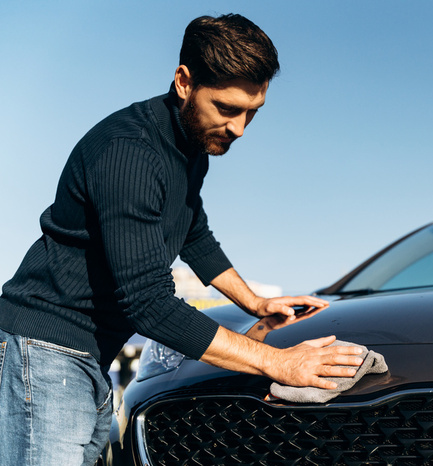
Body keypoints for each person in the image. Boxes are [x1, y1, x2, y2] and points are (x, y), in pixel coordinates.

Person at [0, 13, 363, 466]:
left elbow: (193, 231)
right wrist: (278, 362)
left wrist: (254, 303)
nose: (240, 129)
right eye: (228, 109)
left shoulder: (192, 149)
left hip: (89, 357)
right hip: (46, 351)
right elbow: (148, 302)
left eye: (253, 111)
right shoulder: (129, 152)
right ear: (184, 82)